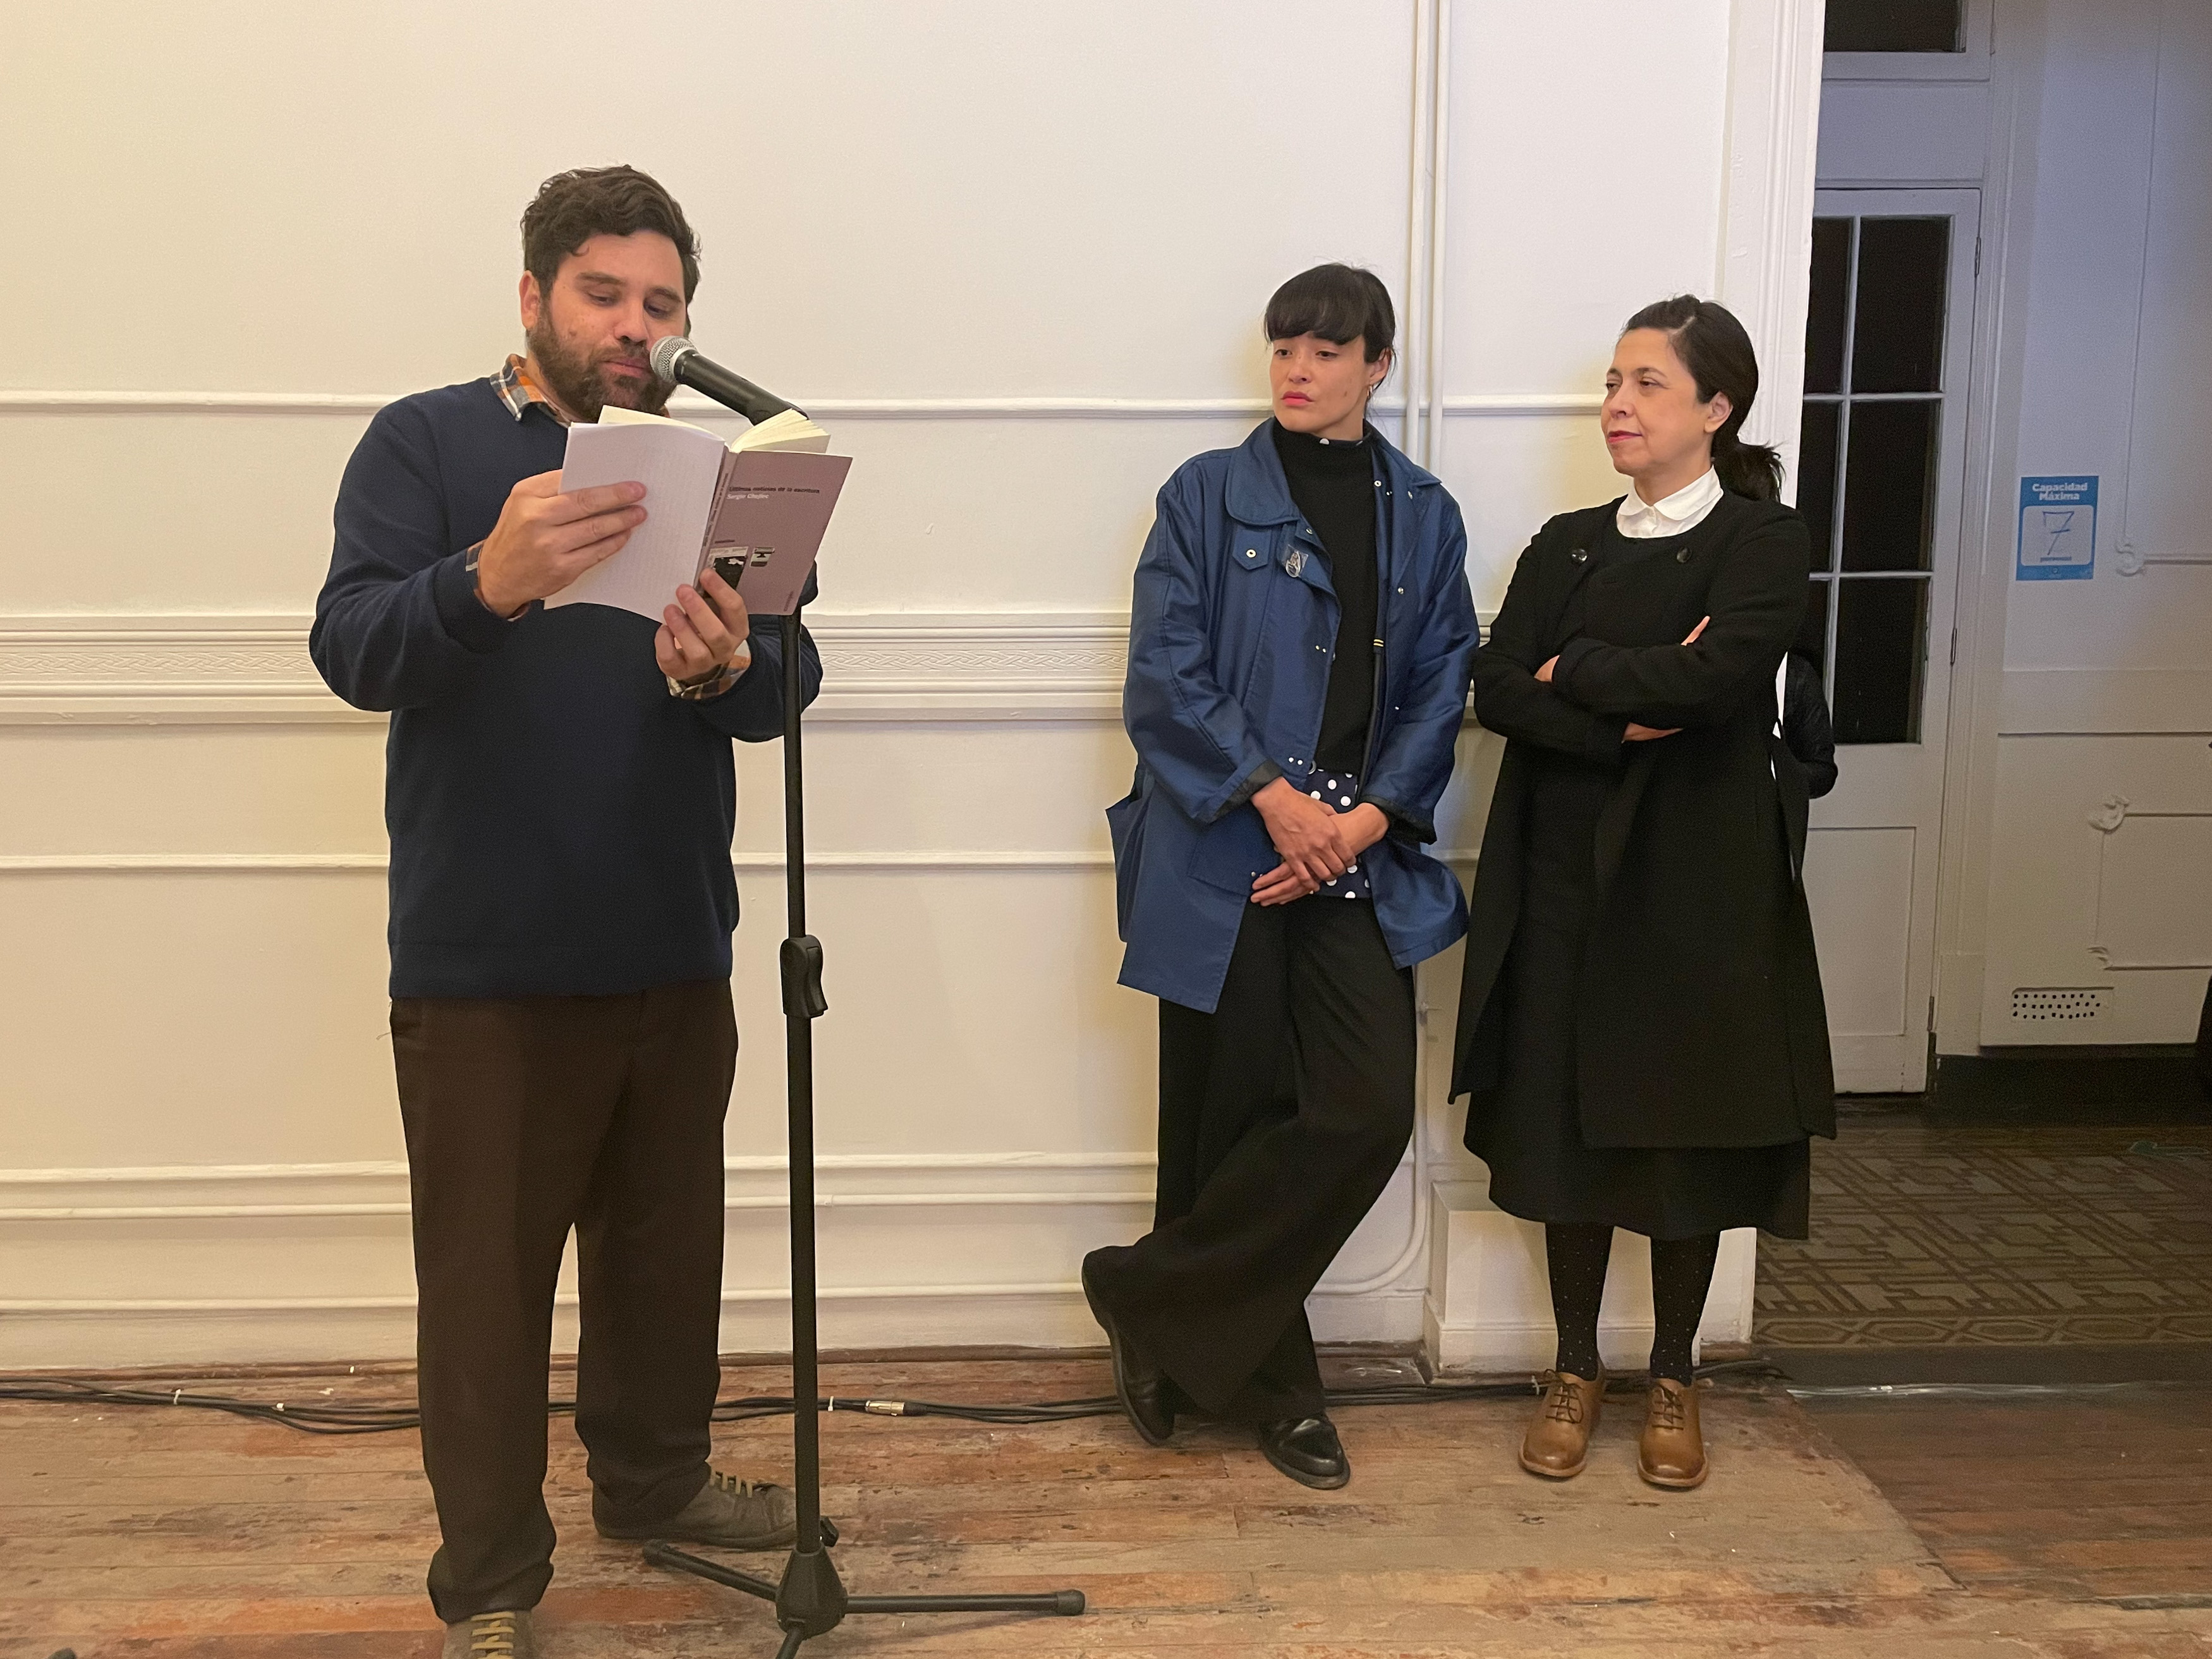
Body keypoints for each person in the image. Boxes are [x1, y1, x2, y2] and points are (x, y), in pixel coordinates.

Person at [311, 166, 822, 1659]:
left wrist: (732, 666)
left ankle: (654, 1479)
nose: (635, 325)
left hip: (673, 937)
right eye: (605, 293)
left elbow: (788, 683)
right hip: (488, 957)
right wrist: (484, 580)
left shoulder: (724, 473)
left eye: (662, 302)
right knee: (485, 1289)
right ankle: (488, 1580)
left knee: (666, 1259)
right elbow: (351, 646)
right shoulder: (427, 441)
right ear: (534, 295)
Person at [1084, 265, 1480, 1490]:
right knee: (1226, 1116)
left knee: (1360, 1110)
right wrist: (1275, 799)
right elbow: (1165, 673)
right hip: (1226, 847)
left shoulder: (1426, 514)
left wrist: (1357, 826)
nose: (1298, 370)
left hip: (1351, 855)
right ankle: (1278, 1386)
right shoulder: (1205, 495)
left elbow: (1442, 684)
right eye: (1284, 348)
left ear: (1377, 365)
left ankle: (1146, 1296)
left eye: (1326, 350)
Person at [1450, 295, 1834, 1492]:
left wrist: (1578, 670)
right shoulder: (1566, 542)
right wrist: (1626, 711)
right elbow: (1497, 685)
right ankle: (1575, 1367)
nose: (1618, 405)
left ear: (1718, 407)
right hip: (1562, 869)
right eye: (1613, 382)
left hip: (1700, 880)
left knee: (1688, 1131)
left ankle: (1674, 1374)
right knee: (1562, 1122)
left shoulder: (1762, 539)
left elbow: (1715, 683)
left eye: (1647, 384)